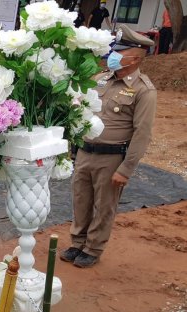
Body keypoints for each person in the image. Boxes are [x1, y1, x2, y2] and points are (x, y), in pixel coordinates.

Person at [61, 25, 157, 268]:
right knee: (80, 200)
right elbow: (81, 113)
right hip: (85, 151)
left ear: (135, 56)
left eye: (120, 51)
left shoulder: (144, 90)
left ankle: (93, 248)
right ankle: (77, 242)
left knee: (104, 206)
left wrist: (125, 170)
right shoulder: (100, 79)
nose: (113, 54)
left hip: (111, 157)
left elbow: (142, 134)